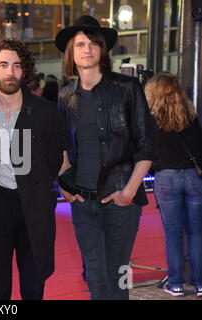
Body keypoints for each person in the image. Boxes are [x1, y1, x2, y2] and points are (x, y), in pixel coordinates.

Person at [55, 15, 155, 300]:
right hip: (83, 203)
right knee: (95, 277)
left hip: (120, 200)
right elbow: (64, 146)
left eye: (93, 44)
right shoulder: (65, 96)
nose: (87, 49)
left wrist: (128, 192)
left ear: (102, 50)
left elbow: (146, 145)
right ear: (71, 54)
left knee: (118, 276)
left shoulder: (127, 88)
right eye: (80, 44)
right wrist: (64, 185)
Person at [0, 39, 64, 300]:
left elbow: (53, 159)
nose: (10, 72)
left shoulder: (44, 111)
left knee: (33, 283)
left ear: (25, 70)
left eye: (17, 66)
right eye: (4, 65)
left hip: (34, 204)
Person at [145, 72, 202, 297]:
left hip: (166, 177)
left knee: (173, 233)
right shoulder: (190, 116)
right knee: (196, 232)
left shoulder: (151, 120)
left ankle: (176, 283)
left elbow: (146, 150)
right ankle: (199, 283)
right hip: (193, 177)